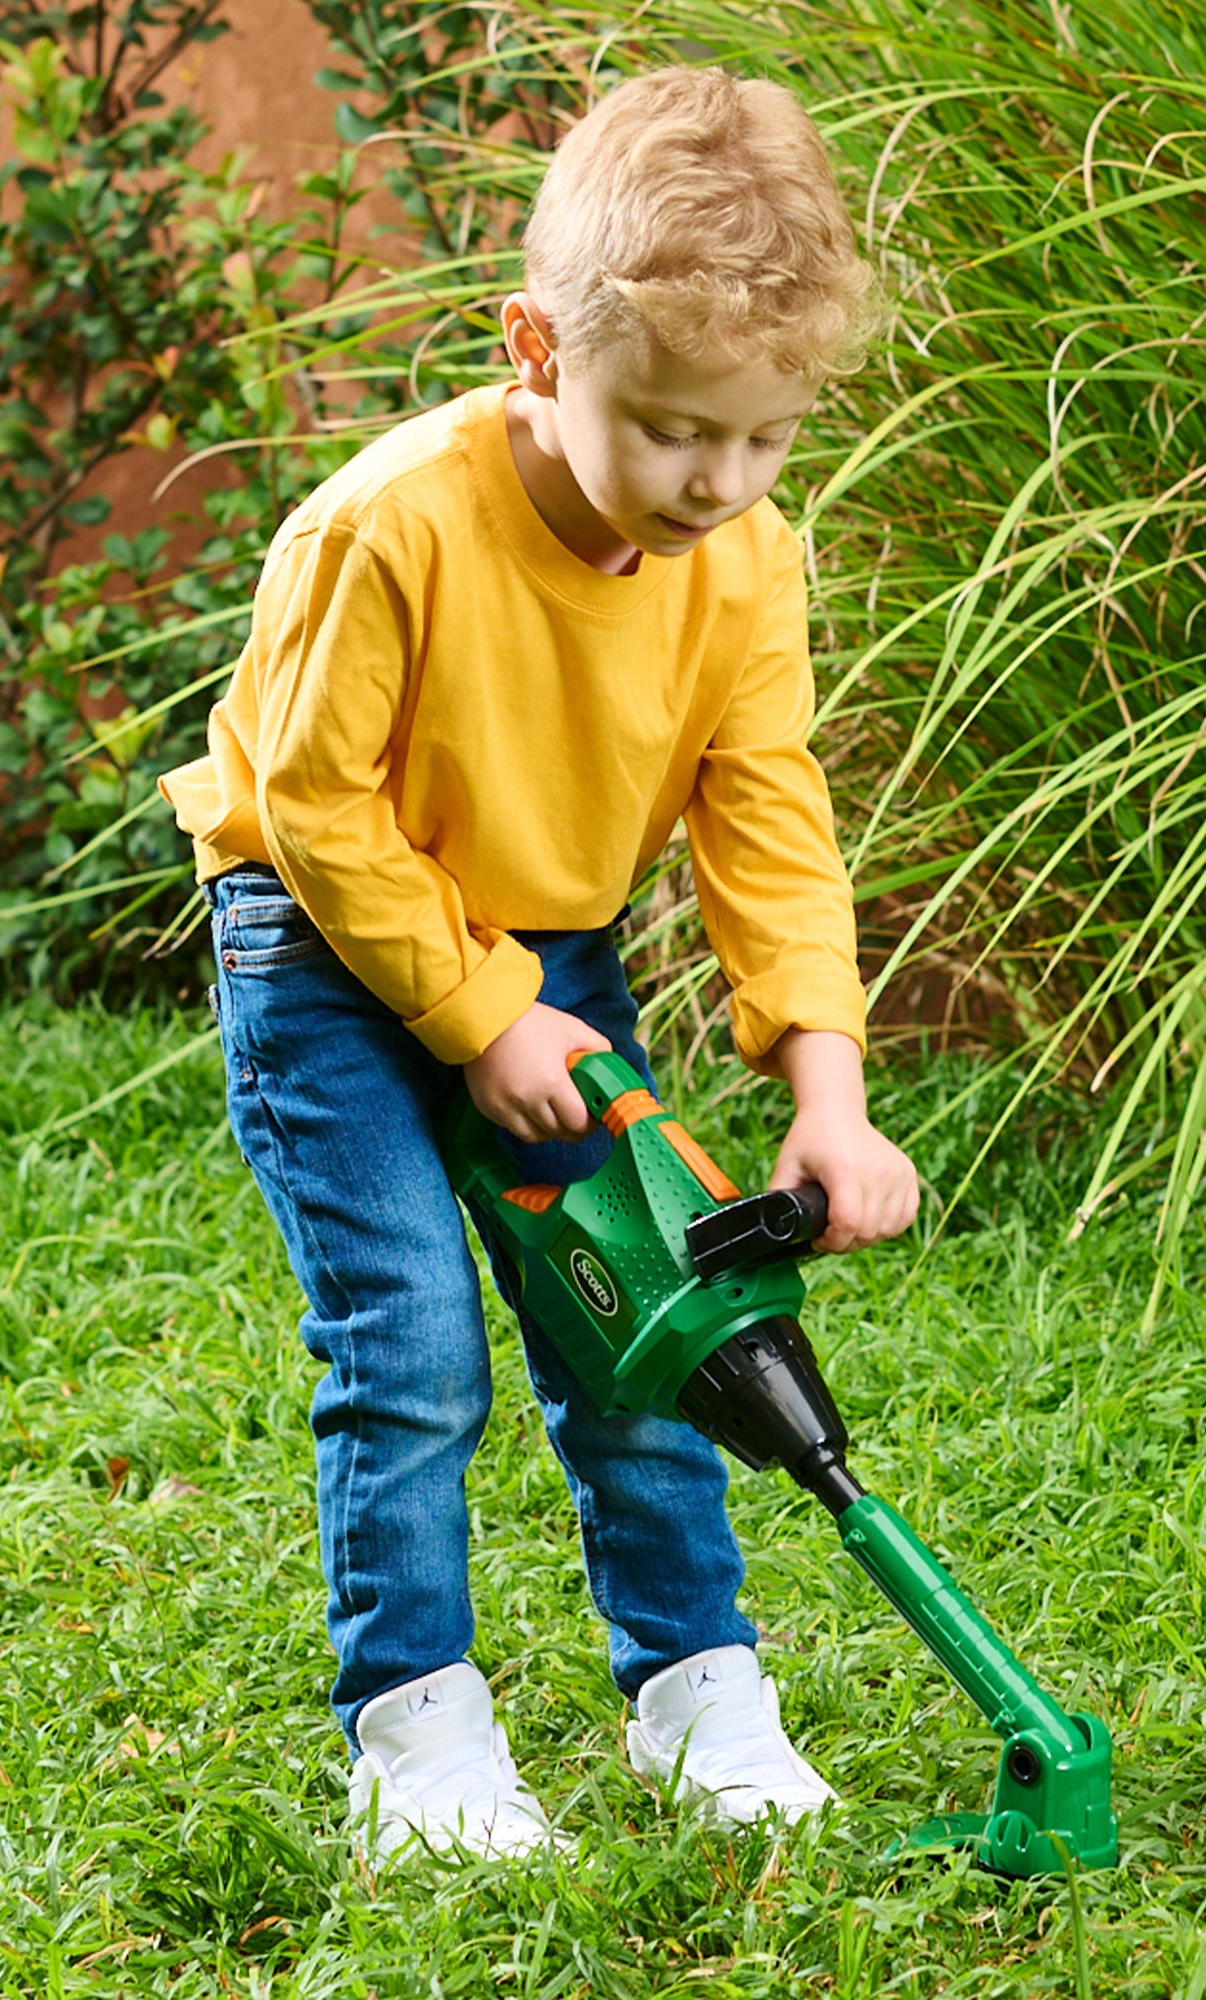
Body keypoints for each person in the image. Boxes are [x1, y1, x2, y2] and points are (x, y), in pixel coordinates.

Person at [157, 63, 919, 1863]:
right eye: (669, 428)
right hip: (326, 954)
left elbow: (765, 816)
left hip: (551, 953)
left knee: (645, 1329)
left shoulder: (745, 561)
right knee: (414, 1341)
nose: (715, 483)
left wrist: (829, 1089)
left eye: (761, 439)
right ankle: (417, 1735)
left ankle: (697, 1692)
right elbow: (312, 803)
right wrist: (482, 1010)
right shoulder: (388, 527)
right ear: (535, 346)